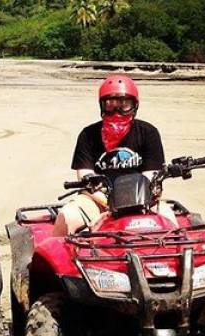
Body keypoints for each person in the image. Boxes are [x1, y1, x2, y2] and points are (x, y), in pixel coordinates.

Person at [53, 74, 174, 236]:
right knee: (67, 216)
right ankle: (51, 258)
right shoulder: (88, 135)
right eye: (111, 103)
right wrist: (108, 203)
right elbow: (84, 175)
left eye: (124, 103)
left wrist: (134, 201)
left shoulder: (148, 133)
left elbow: (150, 176)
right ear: (102, 105)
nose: (117, 110)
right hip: (98, 199)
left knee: (169, 220)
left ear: (134, 105)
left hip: (142, 199)